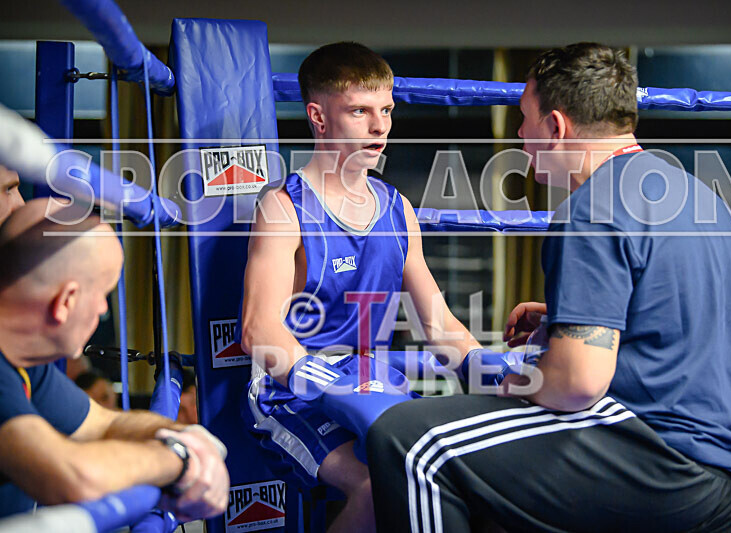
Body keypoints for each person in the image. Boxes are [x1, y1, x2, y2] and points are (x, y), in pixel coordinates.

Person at [367, 42, 731, 532]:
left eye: (525, 119)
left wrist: (500, 381)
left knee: (407, 441)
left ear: (556, 126)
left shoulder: (592, 208)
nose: (520, 137)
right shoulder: (702, 198)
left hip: (658, 464)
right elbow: (679, 318)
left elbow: (576, 384)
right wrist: (566, 317)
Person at [239, 42, 486, 533]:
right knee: (380, 488)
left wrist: (490, 370)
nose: (380, 127)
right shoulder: (284, 209)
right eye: (360, 111)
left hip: (374, 385)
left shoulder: (398, 209)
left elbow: (438, 324)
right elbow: (257, 329)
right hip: (292, 396)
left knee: (461, 476)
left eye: (387, 110)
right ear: (319, 117)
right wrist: (328, 384)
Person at [0, 198, 229, 522]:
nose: (103, 310)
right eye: (101, 294)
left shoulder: (24, 363)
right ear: (66, 300)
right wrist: (181, 459)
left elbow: (103, 423)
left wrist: (183, 435)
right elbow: (72, 476)